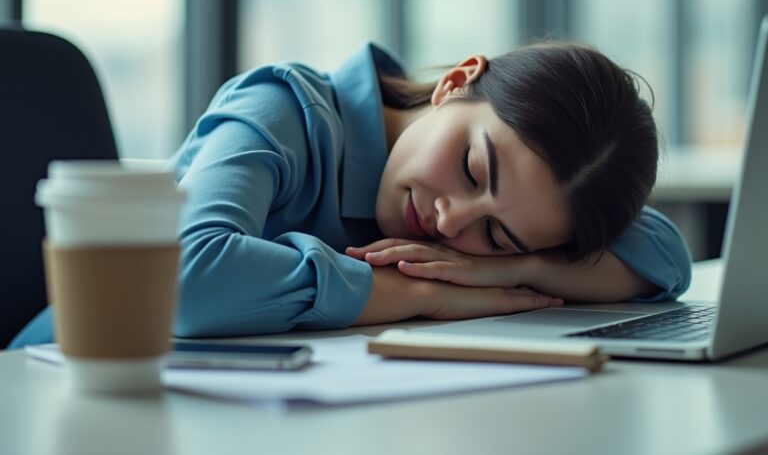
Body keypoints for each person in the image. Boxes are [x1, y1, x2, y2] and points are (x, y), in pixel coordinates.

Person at [8, 40, 691, 347]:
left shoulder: (477, 239)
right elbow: (183, 279)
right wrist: (425, 292)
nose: (451, 219)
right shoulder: (284, 108)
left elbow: (665, 257)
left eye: (495, 232)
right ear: (457, 81)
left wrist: (511, 267)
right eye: (473, 169)